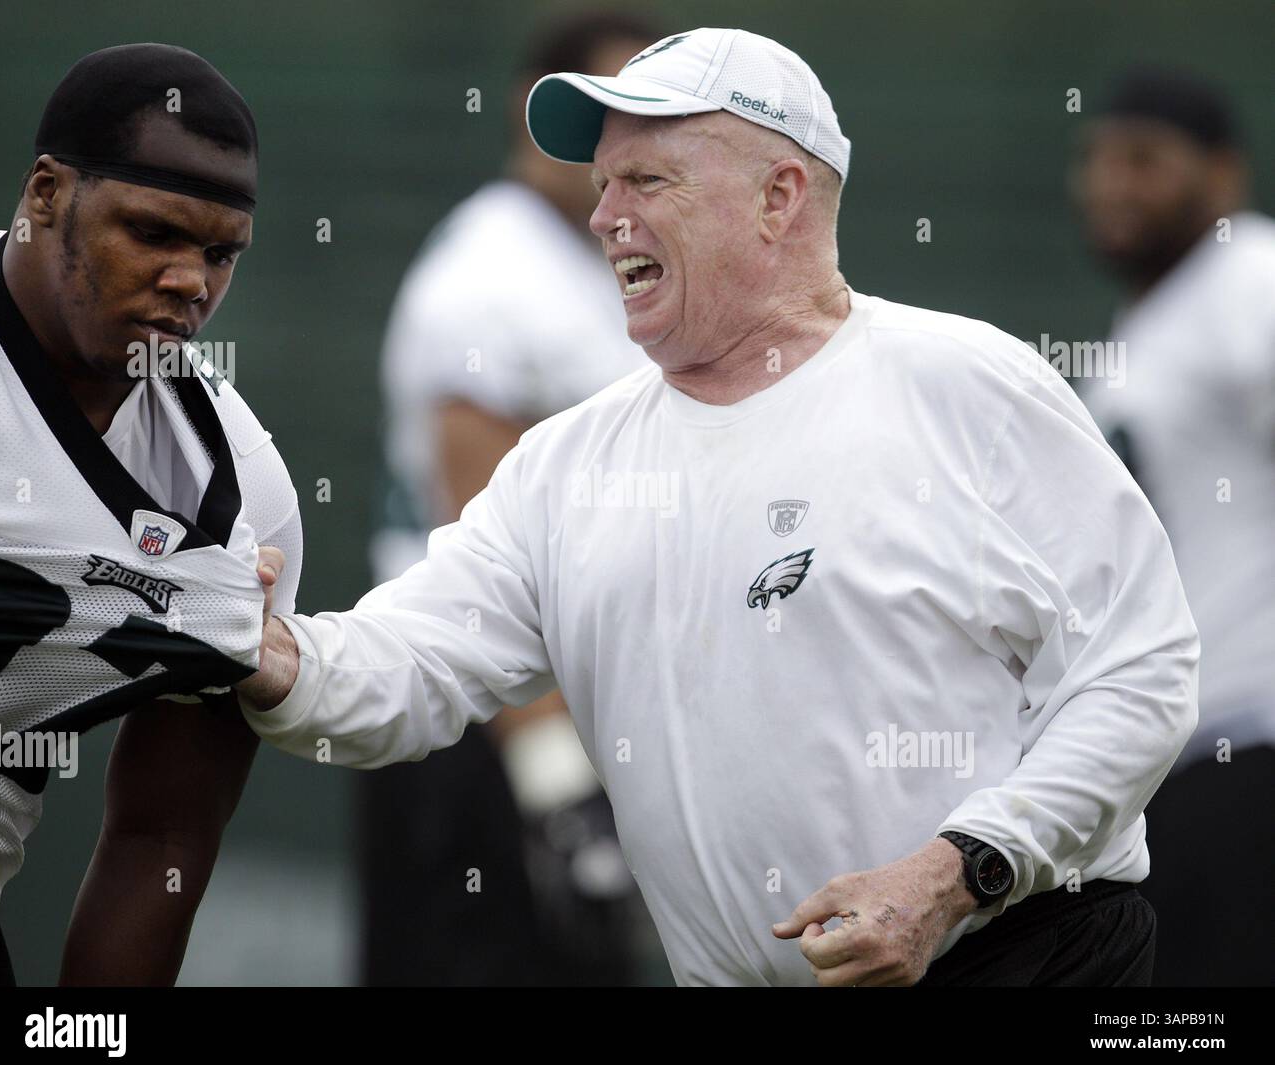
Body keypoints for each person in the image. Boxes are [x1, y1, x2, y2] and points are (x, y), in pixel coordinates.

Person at [239, 28, 1199, 987]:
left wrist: (956, 873)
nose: (604, 216)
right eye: (603, 183)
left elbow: (1138, 671)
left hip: (1019, 958)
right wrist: (272, 654)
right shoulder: (565, 465)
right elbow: (401, 664)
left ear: (779, 197)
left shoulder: (970, 386)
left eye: (647, 182)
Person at [0, 44, 301, 986]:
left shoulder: (237, 494)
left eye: (219, 253)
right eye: (153, 233)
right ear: (45, 195)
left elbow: (164, 833)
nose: (191, 282)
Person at [363, 11, 661, 986]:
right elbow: (488, 551)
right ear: (538, 113)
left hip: (565, 717)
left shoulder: (590, 263)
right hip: (482, 724)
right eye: (604, 112)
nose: (630, 142)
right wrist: (557, 785)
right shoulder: (493, 279)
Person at [1072, 68, 1275, 986]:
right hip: (1189, 753)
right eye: (1101, 159)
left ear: (1224, 175)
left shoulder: (1249, 275)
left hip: (1253, 738)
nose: (1113, 182)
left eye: (1145, 160)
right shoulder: (1161, 311)